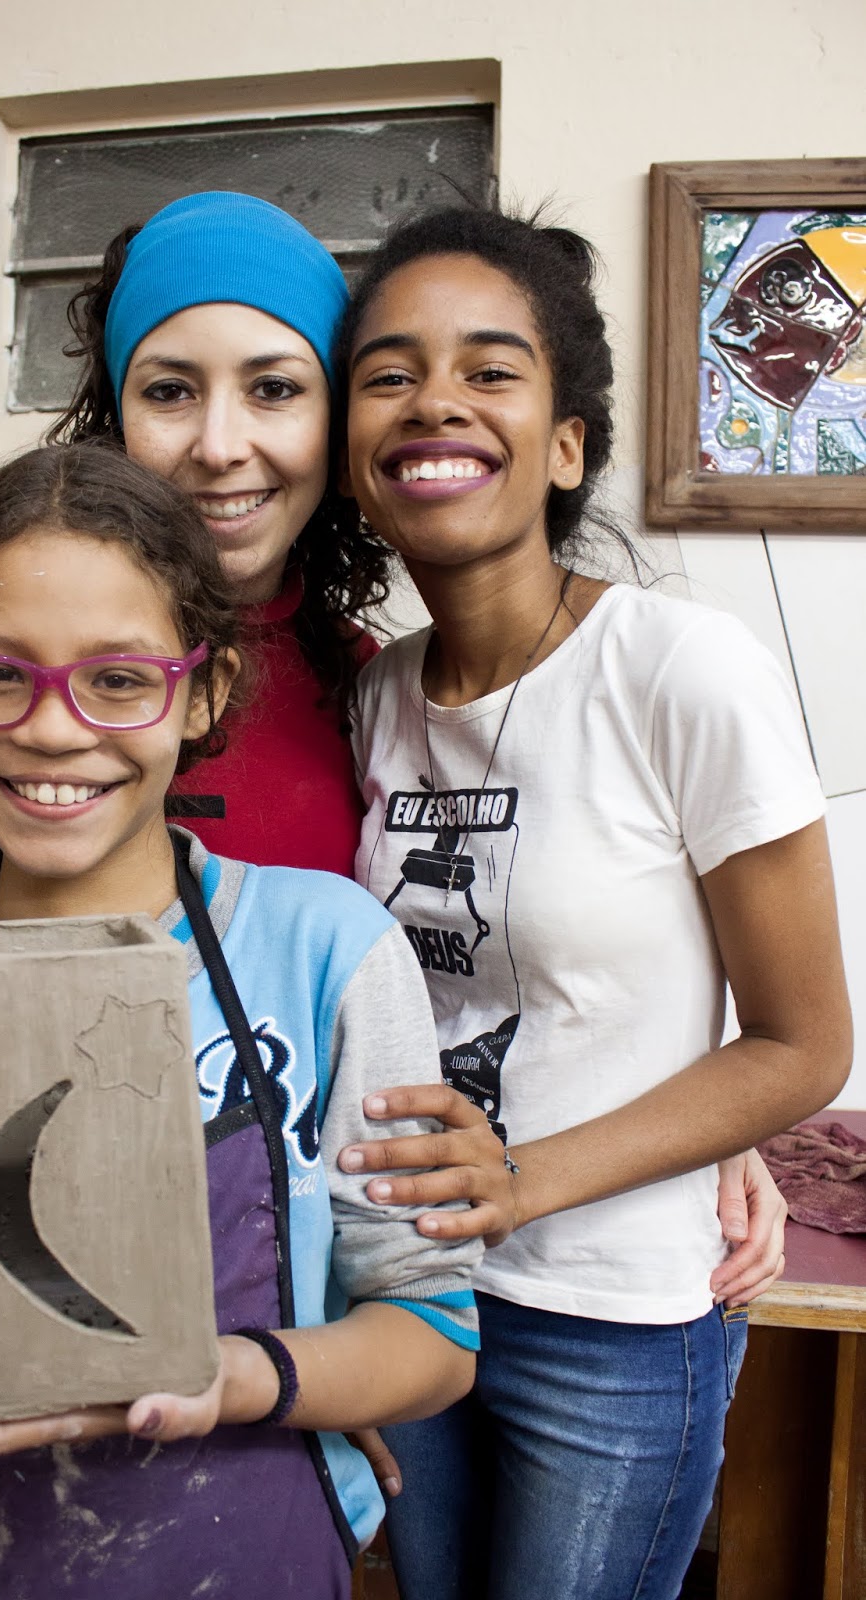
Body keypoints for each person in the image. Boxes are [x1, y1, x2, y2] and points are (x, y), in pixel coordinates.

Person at [0, 443, 480, 1600]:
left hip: (250, 1560)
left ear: (202, 693)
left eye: (119, 678)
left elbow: (434, 1335)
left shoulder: (322, 950)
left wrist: (230, 1377)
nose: (53, 728)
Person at [335, 206, 853, 1600]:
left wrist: (527, 1178)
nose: (434, 399)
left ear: (564, 446)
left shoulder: (681, 669)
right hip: (415, 1290)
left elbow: (804, 1044)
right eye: (388, 375)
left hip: (611, 1318)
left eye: (489, 370)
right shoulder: (372, 695)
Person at [0, 191, 389, 886]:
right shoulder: (20, 666)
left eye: (274, 389)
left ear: (338, 427)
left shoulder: (371, 686)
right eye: (169, 391)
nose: (218, 447)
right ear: (117, 422)